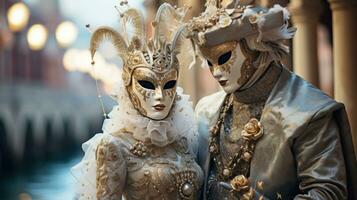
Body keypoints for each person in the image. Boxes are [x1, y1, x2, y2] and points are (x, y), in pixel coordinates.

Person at [185, 0, 357, 199]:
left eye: (224, 58)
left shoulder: (308, 113)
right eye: (209, 62)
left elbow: (328, 193)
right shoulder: (206, 111)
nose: (216, 72)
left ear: (257, 47)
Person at [71, 3, 203, 200]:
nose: (160, 95)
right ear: (129, 87)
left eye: (168, 85)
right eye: (147, 84)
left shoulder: (183, 139)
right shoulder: (114, 145)